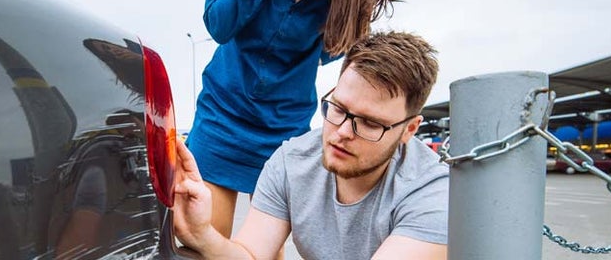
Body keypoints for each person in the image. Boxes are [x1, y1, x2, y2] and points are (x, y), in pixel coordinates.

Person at [187, 0, 410, 238]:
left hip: (284, 132)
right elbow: (219, 23)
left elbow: (334, 49)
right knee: (203, 241)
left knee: (264, 249)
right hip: (222, 118)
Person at [175, 31, 448, 260]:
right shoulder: (292, 161)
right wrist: (202, 234)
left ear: (409, 129)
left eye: (369, 123)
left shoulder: (432, 194)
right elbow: (252, 255)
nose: (341, 133)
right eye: (338, 108)